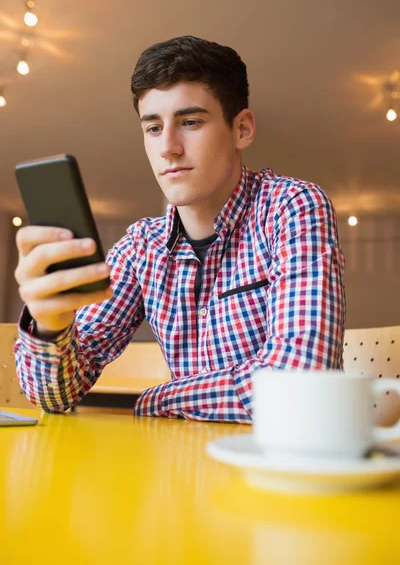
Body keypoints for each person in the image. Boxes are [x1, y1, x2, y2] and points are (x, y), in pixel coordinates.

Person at [14, 35, 345, 422]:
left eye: (190, 122)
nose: (168, 147)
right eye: (153, 128)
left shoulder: (293, 207)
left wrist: (160, 400)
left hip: (288, 467)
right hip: (184, 468)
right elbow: (53, 397)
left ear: (242, 129)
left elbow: (299, 387)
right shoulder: (142, 247)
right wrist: (51, 325)